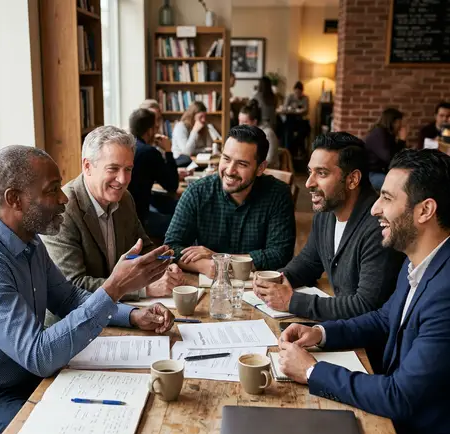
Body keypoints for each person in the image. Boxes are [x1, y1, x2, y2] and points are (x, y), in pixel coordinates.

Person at [0, 145, 176, 434]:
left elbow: (69, 298)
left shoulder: (28, 242)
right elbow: (38, 354)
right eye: (52, 189)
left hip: (20, 383)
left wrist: (132, 315)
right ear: (15, 199)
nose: (64, 199)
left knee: (129, 413)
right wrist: (114, 287)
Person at [278, 148, 450, 434]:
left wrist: (312, 373)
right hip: (397, 425)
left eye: (386, 198)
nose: (374, 208)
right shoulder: (421, 259)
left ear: (425, 210)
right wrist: (321, 333)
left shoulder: (447, 290)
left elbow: (400, 396)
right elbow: (385, 317)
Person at [253, 132, 403, 323]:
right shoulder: (325, 215)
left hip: (365, 346)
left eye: (322, 173)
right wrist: (279, 279)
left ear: (352, 179)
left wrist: (291, 300)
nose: (309, 183)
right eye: (310, 172)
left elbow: (365, 305)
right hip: (339, 329)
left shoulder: (379, 226)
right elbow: (309, 263)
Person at [42, 125, 184, 299]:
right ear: (87, 166)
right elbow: (73, 286)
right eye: (113, 169)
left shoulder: (125, 199)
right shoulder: (62, 210)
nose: (123, 180)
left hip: (116, 310)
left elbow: (144, 246)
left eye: (128, 169)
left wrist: (164, 266)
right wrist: (142, 289)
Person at [165, 125, 296, 277]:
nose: (229, 170)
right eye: (226, 159)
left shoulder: (278, 194)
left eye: (242, 164)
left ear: (260, 168)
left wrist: (221, 260)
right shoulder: (197, 192)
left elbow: (280, 254)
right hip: (207, 286)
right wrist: (206, 265)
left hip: (259, 290)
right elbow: (171, 247)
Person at [127, 110, 180, 239]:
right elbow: (172, 185)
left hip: (127, 215)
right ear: (150, 131)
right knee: (183, 223)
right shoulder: (149, 152)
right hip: (141, 220)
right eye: (156, 128)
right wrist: (168, 151)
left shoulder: (126, 147)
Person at [365, 107, 407, 191]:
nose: (401, 125)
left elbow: (397, 155)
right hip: (372, 174)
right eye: (399, 122)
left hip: (381, 172)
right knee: (399, 185)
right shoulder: (379, 134)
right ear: (393, 122)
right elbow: (390, 158)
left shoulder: (387, 134)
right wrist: (402, 141)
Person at [238, 99, 279, 169]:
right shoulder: (246, 133)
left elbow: (270, 160)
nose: (240, 126)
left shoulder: (268, 134)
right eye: (239, 121)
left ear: (254, 122)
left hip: (268, 171)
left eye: (244, 122)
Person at [279, 81, 310, 157]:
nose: (297, 94)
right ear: (294, 90)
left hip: (300, 120)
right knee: (287, 128)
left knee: (305, 130)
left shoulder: (305, 98)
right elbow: (285, 108)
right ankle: (289, 150)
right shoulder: (290, 97)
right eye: (296, 92)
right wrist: (295, 110)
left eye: (299, 93)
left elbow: (306, 111)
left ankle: (297, 149)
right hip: (290, 119)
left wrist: (294, 110)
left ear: (302, 91)